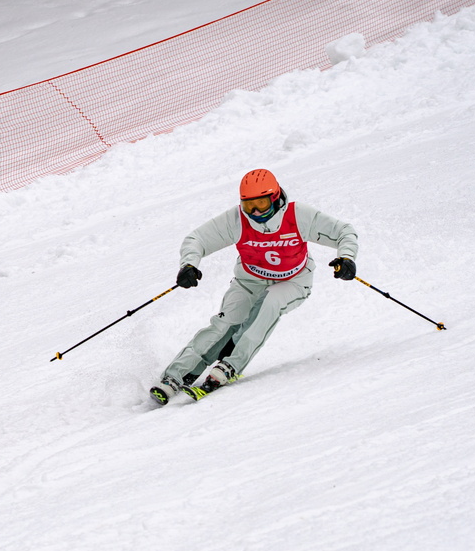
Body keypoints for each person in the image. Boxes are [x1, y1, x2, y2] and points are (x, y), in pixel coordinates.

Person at [150, 168, 359, 404]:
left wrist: (346, 258)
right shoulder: (237, 220)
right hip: (249, 280)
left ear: (275, 198)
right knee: (225, 323)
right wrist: (189, 265)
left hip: (293, 280)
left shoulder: (298, 215)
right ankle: (175, 376)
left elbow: (344, 231)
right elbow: (196, 239)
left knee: (269, 306)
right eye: (250, 206)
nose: (256, 212)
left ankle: (231, 365)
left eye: (261, 203)